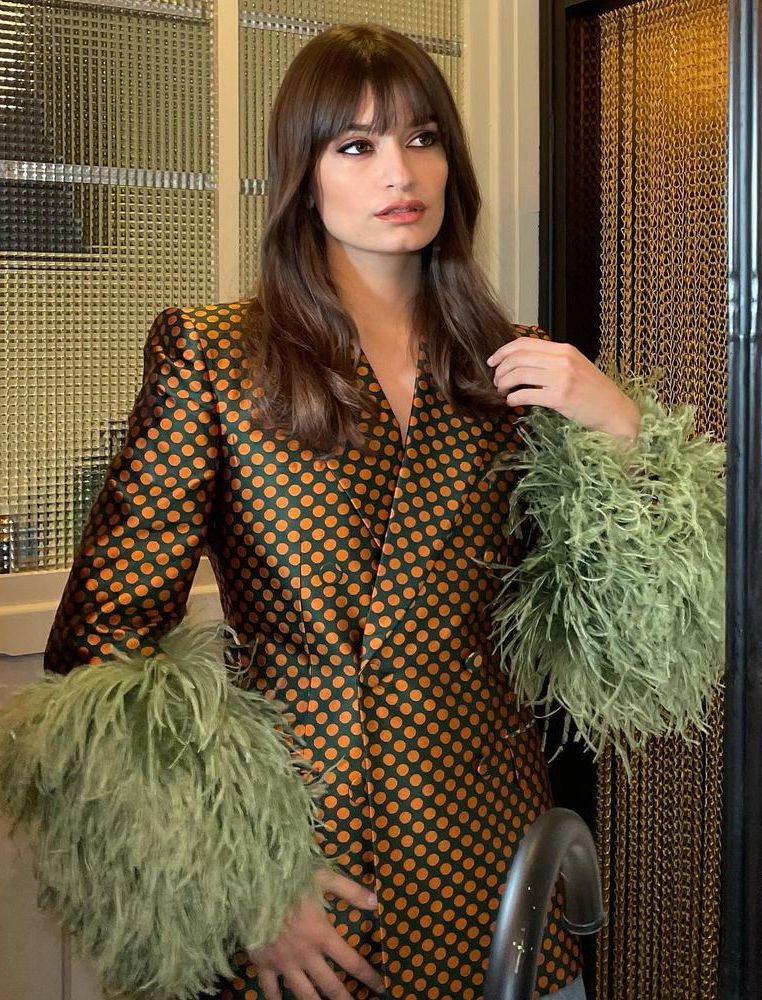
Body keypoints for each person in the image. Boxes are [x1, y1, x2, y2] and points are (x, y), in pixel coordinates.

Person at [1, 21, 725, 1000]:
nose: (399, 169)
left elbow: (635, 630)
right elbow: (101, 649)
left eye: (421, 137)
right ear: (303, 175)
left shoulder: (513, 364)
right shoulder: (213, 355)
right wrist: (241, 876)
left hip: (488, 852)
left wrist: (618, 424)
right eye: (356, 144)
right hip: (297, 872)